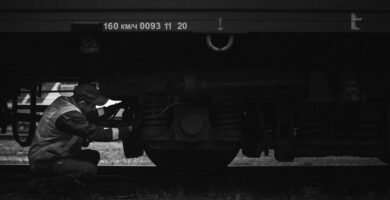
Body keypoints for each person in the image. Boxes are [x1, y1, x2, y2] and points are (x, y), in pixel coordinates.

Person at [28, 83, 132, 187]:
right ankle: (44, 185)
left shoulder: (67, 104)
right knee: (88, 169)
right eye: (92, 105)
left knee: (92, 156)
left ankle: (73, 185)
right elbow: (95, 132)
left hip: (56, 155)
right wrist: (126, 131)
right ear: (82, 103)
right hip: (45, 161)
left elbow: (94, 115)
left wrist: (116, 107)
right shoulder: (69, 115)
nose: (94, 108)